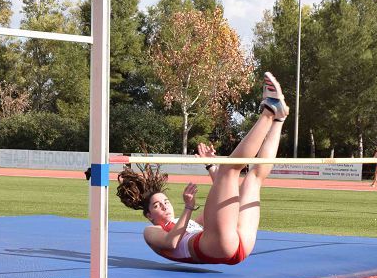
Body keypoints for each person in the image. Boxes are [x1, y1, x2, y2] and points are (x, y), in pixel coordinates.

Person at [116, 72, 288, 265]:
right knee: (228, 170)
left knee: (253, 179)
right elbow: (172, 242)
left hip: (235, 244)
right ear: (149, 215)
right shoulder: (151, 231)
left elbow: (226, 202)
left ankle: (278, 120)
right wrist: (189, 207)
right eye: (157, 206)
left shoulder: (191, 224)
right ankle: (268, 111)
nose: (165, 205)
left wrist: (210, 166)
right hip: (216, 247)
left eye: (165, 201)